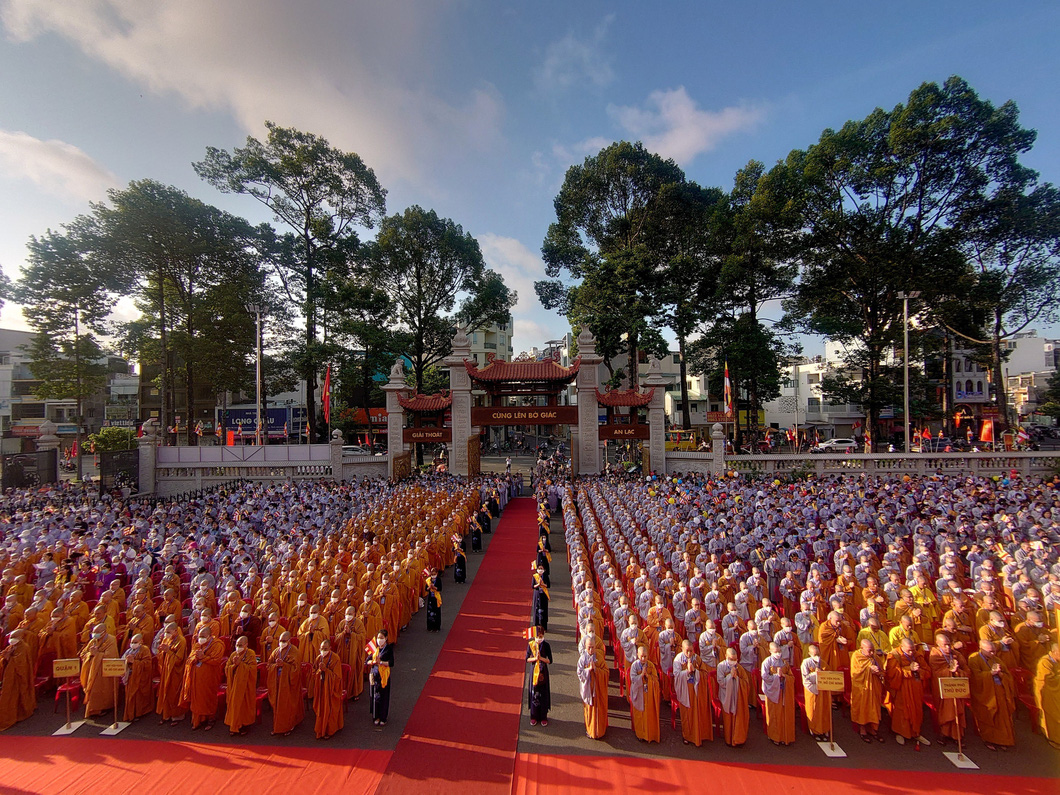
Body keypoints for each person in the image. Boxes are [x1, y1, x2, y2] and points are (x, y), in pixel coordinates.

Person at [968, 638, 1016, 751]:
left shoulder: (996, 659)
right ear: (981, 649)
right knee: (988, 715)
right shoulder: (974, 659)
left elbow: (1008, 676)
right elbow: (975, 677)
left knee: (1003, 716)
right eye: (990, 651)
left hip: (999, 690)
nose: (993, 653)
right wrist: (990, 673)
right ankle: (989, 740)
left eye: (993, 651)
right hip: (985, 693)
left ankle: (1004, 740)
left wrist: (1000, 675)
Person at [885, 637, 931, 748]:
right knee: (902, 710)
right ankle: (900, 733)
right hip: (902, 688)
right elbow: (892, 673)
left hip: (916, 688)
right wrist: (909, 669)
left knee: (917, 709)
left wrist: (919, 671)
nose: (911, 652)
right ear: (902, 647)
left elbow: (928, 672)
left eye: (913, 650)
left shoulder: (917, 655)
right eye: (909, 650)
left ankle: (916, 732)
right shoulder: (894, 655)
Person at [928, 631, 970, 747]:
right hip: (943, 687)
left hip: (956, 686)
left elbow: (967, 670)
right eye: (944, 645)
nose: (947, 647)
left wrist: (958, 671)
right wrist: (949, 671)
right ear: (938, 644)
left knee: (958, 710)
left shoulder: (956, 654)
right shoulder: (934, 655)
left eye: (948, 644)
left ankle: (958, 736)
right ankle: (944, 734)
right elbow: (935, 673)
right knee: (946, 711)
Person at [181, 627, 226, 730]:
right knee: (197, 698)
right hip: (197, 677)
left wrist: (203, 658)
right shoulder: (197, 645)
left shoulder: (217, 645)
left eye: (203, 637)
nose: (200, 639)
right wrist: (195, 658)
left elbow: (216, 660)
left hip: (209, 677)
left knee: (208, 697)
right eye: (200, 636)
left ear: (210, 636)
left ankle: (210, 719)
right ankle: (198, 721)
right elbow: (189, 659)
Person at [673, 639, 712, 746]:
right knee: (688, 716)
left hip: (697, 690)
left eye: (691, 651)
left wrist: (695, 671)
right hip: (686, 689)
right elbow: (676, 675)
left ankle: (699, 735)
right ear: (682, 649)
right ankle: (687, 736)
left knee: (698, 713)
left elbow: (705, 673)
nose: (689, 653)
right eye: (687, 651)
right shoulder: (678, 659)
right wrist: (687, 671)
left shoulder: (697, 658)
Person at [267, 630, 304, 736]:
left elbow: (296, 670)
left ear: (289, 641)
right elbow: (269, 665)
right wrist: (276, 666)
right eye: (280, 640)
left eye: (284, 641)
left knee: (287, 705)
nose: (281, 643)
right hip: (277, 682)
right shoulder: (276, 651)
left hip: (288, 684)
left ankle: (288, 726)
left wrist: (284, 666)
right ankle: (278, 726)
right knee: (278, 705)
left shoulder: (294, 651)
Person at [80, 624, 119, 719]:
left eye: (97, 633)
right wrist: (90, 654)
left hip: (104, 671)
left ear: (104, 632)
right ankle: (93, 709)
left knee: (101, 690)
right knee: (92, 689)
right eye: (94, 632)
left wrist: (97, 654)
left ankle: (103, 707)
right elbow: (83, 654)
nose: (95, 634)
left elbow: (111, 656)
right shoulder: (93, 641)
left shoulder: (111, 640)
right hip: (92, 670)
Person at [0, 629, 36, 731]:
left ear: (21, 638)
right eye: (11, 638)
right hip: (9, 677)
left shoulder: (24, 648)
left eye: (15, 638)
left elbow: (21, 665)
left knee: (13, 696)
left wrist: (8, 658)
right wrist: (4, 658)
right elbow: (4, 659)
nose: (12, 640)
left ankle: (20, 713)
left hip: (19, 677)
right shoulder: (11, 647)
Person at [851, 638, 885, 743]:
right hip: (862, 688)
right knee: (863, 707)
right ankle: (862, 729)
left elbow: (882, 672)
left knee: (874, 707)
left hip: (874, 687)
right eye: (869, 650)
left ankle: (873, 729)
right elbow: (856, 673)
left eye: (872, 650)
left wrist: (878, 672)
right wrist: (869, 669)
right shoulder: (856, 656)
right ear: (862, 648)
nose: (871, 653)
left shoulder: (875, 657)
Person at [761, 641, 796, 746]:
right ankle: (774, 736)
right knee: (774, 714)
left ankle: (786, 736)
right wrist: (777, 676)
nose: (778, 654)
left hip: (784, 691)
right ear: (770, 651)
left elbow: (792, 677)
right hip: (772, 691)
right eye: (776, 652)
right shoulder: (766, 662)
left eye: (779, 651)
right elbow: (765, 677)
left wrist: (785, 677)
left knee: (785, 714)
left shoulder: (784, 663)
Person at [224, 635, 258, 737]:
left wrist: (240, 664)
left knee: (244, 705)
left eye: (240, 645)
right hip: (234, 685)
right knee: (234, 703)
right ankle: (234, 724)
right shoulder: (233, 654)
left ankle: (245, 725)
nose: (238, 647)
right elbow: (227, 669)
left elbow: (252, 669)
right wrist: (234, 665)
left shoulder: (251, 654)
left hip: (245, 686)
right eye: (237, 645)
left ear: (246, 645)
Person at [717, 647, 750, 747]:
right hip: (726, 694)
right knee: (728, 717)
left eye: (735, 659)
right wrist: (730, 677)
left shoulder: (739, 668)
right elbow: (721, 682)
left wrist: (736, 678)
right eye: (731, 659)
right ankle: (728, 739)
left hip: (737, 695)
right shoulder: (721, 666)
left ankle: (738, 739)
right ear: (726, 657)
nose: (733, 661)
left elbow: (746, 683)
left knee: (739, 716)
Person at [576, 635, 608, 739]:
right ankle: (590, 731)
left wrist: (596, 670)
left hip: (598, 688)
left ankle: (600, 731)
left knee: (599, 710)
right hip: (588, 689)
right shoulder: (582, 659)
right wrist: (588, 670)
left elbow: (606, 672)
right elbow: (579, 673)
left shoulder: (599, 656)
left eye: (593, 647)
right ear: (585, 647)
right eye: (589, 647)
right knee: (589, 710)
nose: (591, 649)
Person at [156, 620, 187, 725]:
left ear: (175, 631)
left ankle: (177, 716)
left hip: (176, 671)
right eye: (166, 632)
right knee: (165, 691)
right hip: (166, 670)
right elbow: (161, 655)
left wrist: (168, 651)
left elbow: (179, 659)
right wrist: (161, 651)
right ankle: (166, 715)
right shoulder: (166, 639)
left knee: (174, 693)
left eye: (169, 632)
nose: (166, 634)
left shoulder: (181, 641)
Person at [628, 645, 660, 742]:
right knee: (640, 715)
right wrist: (641, 676)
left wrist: (648, 677)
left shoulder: (651, 665)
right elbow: (633, 679)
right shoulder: (634, 666)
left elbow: (656, 680)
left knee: (649, 714)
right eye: (641, 656)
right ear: (637, 655)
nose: (643, 658)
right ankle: (640, 734)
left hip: (649, 693)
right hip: (639, 692)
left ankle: (650, 735)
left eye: (645, 656)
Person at [313, 639, 344, 740]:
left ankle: (330, 730)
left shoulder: (335, 658)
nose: (323, 651)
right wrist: (319, 671)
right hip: (322, 689)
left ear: (330, 648)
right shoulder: (318, 658)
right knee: (321, 709)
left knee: (330, 709)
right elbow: (313, 673)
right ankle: (320, 729)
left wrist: (326, 670)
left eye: (325, 649)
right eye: (321, 649)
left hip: (331, 690)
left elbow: (337, 677)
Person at [334, 606, 367, 701]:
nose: (348, 616)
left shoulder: (358, 623)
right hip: (343, 651)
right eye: (346, 614)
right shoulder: (342, 623)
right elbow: (336, 638)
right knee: (343, 671)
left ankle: (354, 692)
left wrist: (351, 633)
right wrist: (343, 633)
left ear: (355, 614)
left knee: (354, 670)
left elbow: (362, 637)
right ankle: (343, 689)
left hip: (354, 652)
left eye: (350, 614)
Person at [122, 633, 155, 722]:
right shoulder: (129, 651)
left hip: (141, 677)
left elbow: (147, 664)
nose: (133, 644)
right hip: (130, 676)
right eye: (132, 642)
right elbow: (122, 661)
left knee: (139, 697)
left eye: (135, 642)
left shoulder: (145, 650)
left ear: (141, 642)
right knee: (130, 697)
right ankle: (130, 713)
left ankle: (139, 712)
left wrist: (134, 662)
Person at [800, 643, 830, 740]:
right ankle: (814, 731)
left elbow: (829, 675)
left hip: (823, 690)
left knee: (824, 710)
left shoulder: (823, 663)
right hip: (811, 690)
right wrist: (815, 674)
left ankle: (824, 729)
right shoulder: (805, 663)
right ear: (809, 653)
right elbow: (805, 678)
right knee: (813, 710)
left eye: (817, 654)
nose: (816, 656)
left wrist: (823, 673)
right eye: (814, 654)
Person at [1034, 642, 1060, 748]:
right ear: (1054, 652)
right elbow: (1049, 679)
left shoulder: (1056, 661)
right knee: (1052, 715)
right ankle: (1053, 739)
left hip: (1056, 691)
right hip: (1047, 692)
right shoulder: (1045, 662)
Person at [526, 625, 553, 727]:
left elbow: (550, 660)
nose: (539, 639)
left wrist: (541, 658)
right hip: (534, 671)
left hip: (543, 671)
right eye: (537, 637)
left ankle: (543, 716)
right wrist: (535, 658)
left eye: (541, 637)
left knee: (543, 694)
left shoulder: (546, 645)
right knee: (534, 693)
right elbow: (527, 659)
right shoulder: (531, 645)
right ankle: (533, 716)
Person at [367, 629, 394, 726]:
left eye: (382, 638)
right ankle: (376, 716)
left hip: (384, 675)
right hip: (374, 674)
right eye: (378, 638)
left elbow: (391, 663)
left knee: (384, 696)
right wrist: (373, 662)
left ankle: (383, 717)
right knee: (375, 696)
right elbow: (367, 661)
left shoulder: (388, 648)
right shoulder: (374, 647)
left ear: (386, 638)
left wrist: (381, 662)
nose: (380, 640)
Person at [531, 564, 550, 632]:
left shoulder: (545, 576)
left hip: (544, 595)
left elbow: (548, 585)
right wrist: (538, 585)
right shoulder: (535, 576)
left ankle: (544, 626)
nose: (540, 570)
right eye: (539, 568)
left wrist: (543, 584)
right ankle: (536, 625)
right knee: (536, 609)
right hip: (537, 594)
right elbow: (532, 586)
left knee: (544, 610)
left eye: (541, 568)